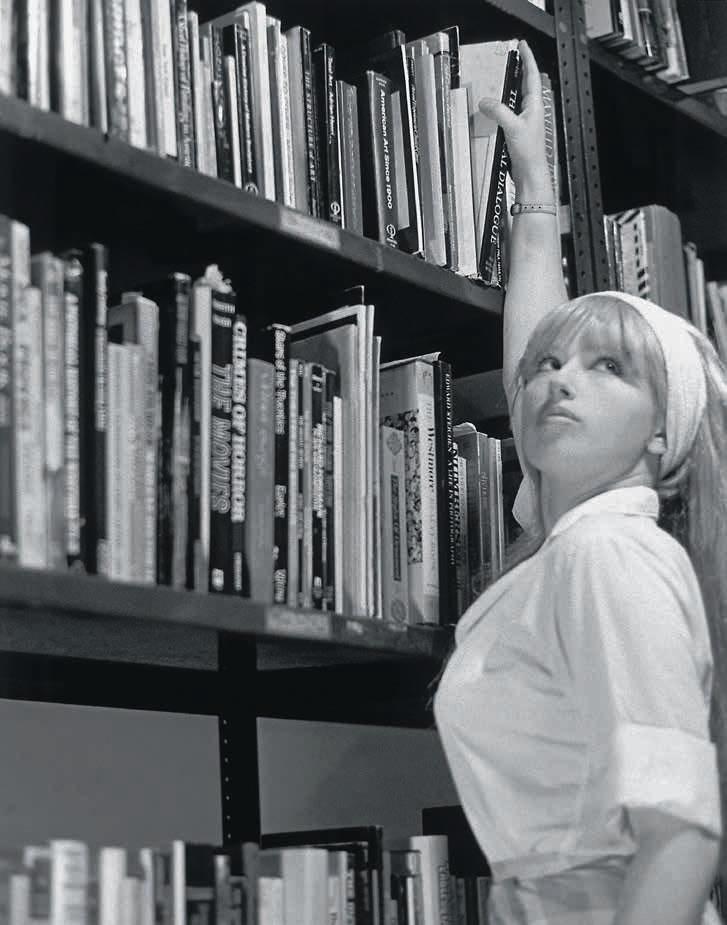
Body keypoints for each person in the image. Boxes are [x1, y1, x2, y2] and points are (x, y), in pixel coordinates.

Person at [432, 39, 727, 925]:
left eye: (609, 368)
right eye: (549, 368)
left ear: (662, 432)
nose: (560, 382)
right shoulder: (576, 533)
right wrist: (533, 191)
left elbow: (680, 837)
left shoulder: (607, 553)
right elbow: (535, 353)